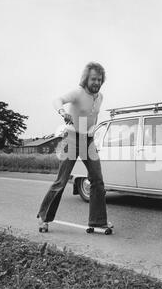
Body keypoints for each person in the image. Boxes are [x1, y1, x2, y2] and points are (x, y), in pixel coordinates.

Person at [37, 62, 112, 232]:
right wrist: (63, 112)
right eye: (93, 79)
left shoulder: (100, 97)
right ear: (86, 79)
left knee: (97, 180)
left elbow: (92, 117)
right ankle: (44, 217)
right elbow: (58, 100)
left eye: (100, 80)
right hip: (71, 138)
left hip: (88, 140)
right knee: (61, 181)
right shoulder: (78, 93)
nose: (97, 83)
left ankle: (98, 221)